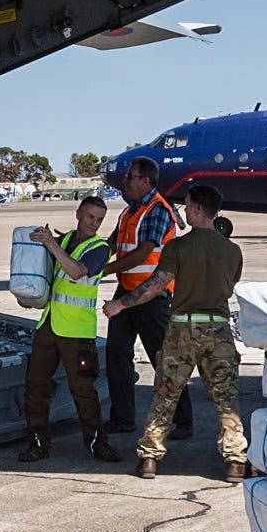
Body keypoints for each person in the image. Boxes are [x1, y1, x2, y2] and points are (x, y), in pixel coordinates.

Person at [126, 181, 247, 477]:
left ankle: (150, 458)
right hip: (218, 330)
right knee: (226, 399)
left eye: (187, 206)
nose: (184, 211)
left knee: (166, 395)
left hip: (182, 329)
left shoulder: (177, 247)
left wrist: (122, 304)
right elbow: (228, 290)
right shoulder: (232, 250)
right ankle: (235, 461)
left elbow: (156, 284)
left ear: (195, 209)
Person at [18, 193, 119, 460]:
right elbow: (48, 277)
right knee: (36, 386)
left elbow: (76, 272)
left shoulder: (100, 248)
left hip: (77, 331)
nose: (94, 224)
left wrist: (51, 244)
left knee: (83, 391)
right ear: (78, 214)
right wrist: (31, 296)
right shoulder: (62, 241)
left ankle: (98, 443)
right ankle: (38, 443)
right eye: (90, 217)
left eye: (99, 220)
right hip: (49, 323)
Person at [102, 156, 186, 440]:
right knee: (116, 353)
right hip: (127, 290)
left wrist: (105, 269)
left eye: (130, 176)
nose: (125, 181)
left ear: (146, 181)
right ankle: (123, 418)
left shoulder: (158, 210)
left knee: (163, 359)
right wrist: (79, 247)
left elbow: (141, 252)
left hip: (152, 294)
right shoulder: (129, 212)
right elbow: (112, 245)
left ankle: (183, 420)